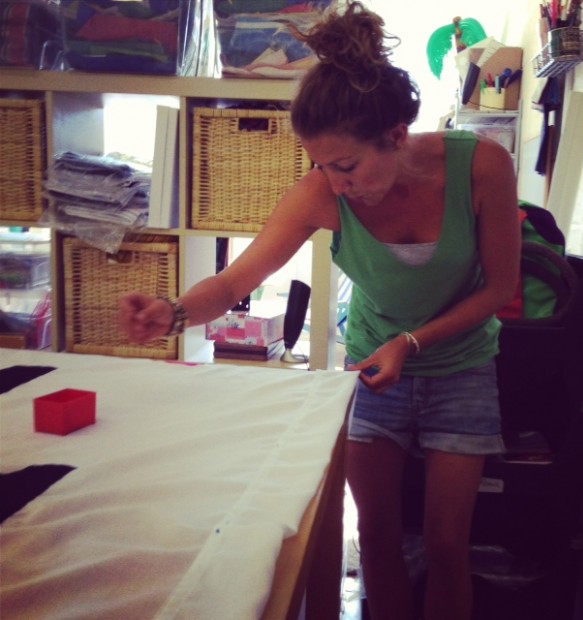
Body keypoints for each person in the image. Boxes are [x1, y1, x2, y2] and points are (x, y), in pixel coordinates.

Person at [119, 2, 521, 618]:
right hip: (372, 373)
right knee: (377, 537)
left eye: (346, 165)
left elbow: (500, 288)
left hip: (461, 368)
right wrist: (172, 312)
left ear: (395, 135)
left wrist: (411, 343)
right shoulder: (320, 194)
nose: (335, 183)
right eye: (322, 166)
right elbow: (233, 281)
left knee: (446, 546)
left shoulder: (482, 166)